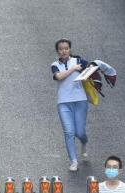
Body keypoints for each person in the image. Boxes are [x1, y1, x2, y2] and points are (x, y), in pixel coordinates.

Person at [51, 38, 89, 172]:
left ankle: (84, 142)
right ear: (57, 51)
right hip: (63, 102)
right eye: (61, 49)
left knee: (80, 132)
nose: (64, 51)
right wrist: (73, 69)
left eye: (66, 48)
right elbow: (59, 77)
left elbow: (91, 68)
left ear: (70, 49)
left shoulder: (78, 60)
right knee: (69, 132)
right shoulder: (55, 65)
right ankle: (73, 161)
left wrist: (88, 73)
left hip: (80, 101)